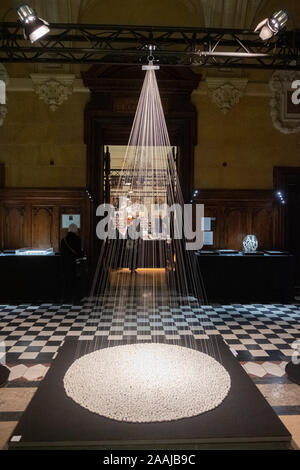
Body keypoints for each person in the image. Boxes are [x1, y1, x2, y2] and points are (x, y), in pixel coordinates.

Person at [60, 223, 84, 303]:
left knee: (67, 281)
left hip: (65, 264)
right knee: (75, 281)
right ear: (75, 230)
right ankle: (76, 299)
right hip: (74, 264)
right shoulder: (77, 239)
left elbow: (62, 253)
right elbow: (79, 252)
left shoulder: (63, 240)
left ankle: (66, 298)